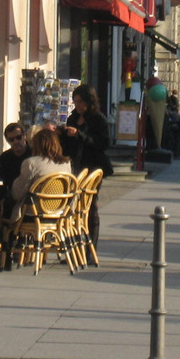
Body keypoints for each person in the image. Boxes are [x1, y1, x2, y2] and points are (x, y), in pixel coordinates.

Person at [60, 84, 112, 246]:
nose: (77, 106)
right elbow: (67, 145)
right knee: (73, 207)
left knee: (90, 207)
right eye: (75, 102)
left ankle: (90, 247)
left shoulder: (98, 119)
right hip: (75, 165)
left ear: (88, 101)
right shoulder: (73, 118)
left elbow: (102, 143)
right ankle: (74, 244)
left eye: (80, 102)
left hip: (92, 166)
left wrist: (80, 135)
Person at [10, 127, 74, 209]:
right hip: (60, 211)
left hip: (35, 212)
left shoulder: (31, 163)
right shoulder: (66, 163)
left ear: (36, 144)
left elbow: (17, 194)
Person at [0, 122, 31, 213]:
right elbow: (1, 180)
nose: (15, 142)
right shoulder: (4, 157)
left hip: (30, 196)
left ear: (24, 136)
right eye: (11, 140)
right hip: (11, 194)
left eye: (18, 137)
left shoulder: (33, 154)